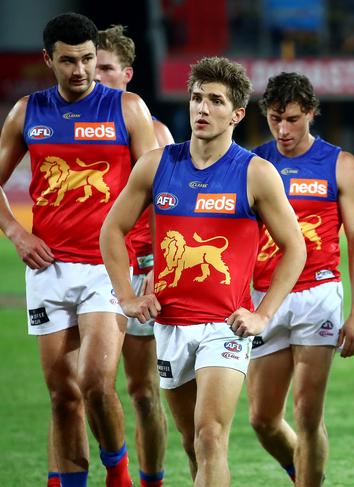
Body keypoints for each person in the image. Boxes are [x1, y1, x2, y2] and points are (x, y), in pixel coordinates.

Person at [99, 56, 306, 487]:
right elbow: (112, 230)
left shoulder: (256, 173)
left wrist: (263, 314)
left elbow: (295, 248)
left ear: (236, 113)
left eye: (215, 100)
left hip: (225, 328)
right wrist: (127, 297)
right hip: (170, 325)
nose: (202, 108)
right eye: (197, 98)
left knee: (212, 436)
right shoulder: (157, 165)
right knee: (192, 442)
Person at [0, 12, 158, 487]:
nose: (81, 71)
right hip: (48, 268)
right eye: (68, 61)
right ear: (49, 59)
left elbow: (155, 188)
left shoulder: (127, 109)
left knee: (94, 381)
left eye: (88, 59)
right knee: (62, 395)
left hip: (106, 268)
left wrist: (149, 260)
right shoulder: (27, 112)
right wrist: (17, 232)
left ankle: (119, 470)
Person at [246, 72, 354, 486]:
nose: (284, 129)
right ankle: (300, 470)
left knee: (307, 413)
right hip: (265, 299)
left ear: (312, 113)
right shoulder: (254, 164)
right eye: (276, 118)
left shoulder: (341, 165)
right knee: (263, 418)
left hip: (318, 294)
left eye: (294, 119)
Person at [95, 24, 174, 486]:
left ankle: (152, 480)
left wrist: (160, 269)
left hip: (142, 270)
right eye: (93, 68)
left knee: (143, 391)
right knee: (83, 386)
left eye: (107, 69)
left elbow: (172, 209)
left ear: (127, 75)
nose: (97, 78)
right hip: (91, 269)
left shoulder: (156, 134)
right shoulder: (76, 126)